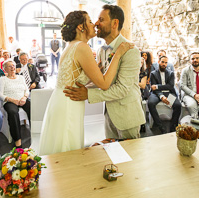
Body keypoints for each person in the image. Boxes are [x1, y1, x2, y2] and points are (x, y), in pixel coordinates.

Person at [39, 10, 134, 155]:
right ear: (80, 27)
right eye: (90, 21)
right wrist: (118, 54)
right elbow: (104, 84)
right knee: (68, 150)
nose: (94, 24)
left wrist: (96, 70)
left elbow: (75, 77)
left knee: (61, 150)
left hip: (61, 100)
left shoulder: (70, 46)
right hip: (69, 103)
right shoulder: (82, 47)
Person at [63, 5, 145, 141]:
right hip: (109, 116)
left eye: (101, 19)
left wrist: (88, 94)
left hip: (127, 116)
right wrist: (81, 89)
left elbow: (122, 89)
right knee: (111, 155)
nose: (96, 23)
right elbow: (101, 80)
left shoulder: (131, 50)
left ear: (114, 23)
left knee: (131, 159)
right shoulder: (101, 51)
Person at [0, 60, 30, 148]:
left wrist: (24, 97)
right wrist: (12, 100)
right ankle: (17, 139)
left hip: (22, 99)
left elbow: (26, 90)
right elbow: (0, 94)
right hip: (9, 101)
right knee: (12, 112)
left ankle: (36, 132)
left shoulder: (21, 77)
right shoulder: (3, 79)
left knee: (33, 108)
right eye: (9, 66)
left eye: (13, 65)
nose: (12, 67)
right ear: (5, 69)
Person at [148, 55, 182, 133]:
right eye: (162, 62)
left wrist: (157, 86)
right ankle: (159, 125)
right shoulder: (153, 73)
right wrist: (161, 96)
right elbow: (153, 89)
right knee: (150, 103)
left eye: (166, 62)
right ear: (159, 62)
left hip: (169, 92)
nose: (164, 64)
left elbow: (170, 86)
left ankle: (173, 125)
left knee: (178, 105)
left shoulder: (171, 73)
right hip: (157, 94)